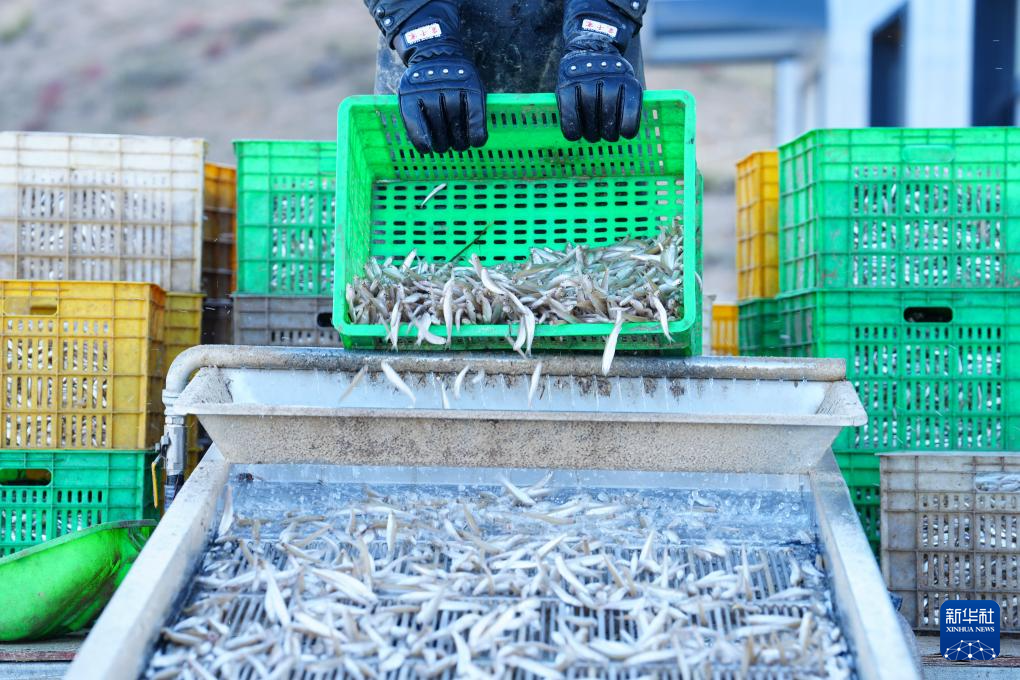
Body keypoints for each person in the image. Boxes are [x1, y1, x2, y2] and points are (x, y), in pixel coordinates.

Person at [362, 0, 649, 154]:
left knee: (607, 218)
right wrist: (427, 39)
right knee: (427, 215)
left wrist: (598, 29)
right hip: (426, 61)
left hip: (592, 64)